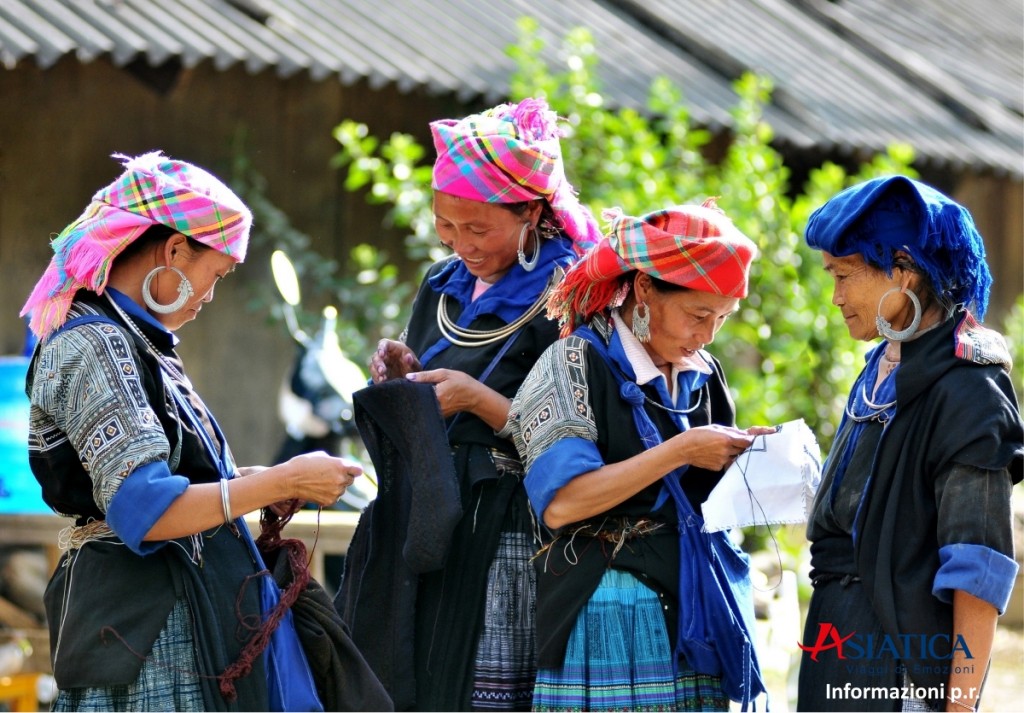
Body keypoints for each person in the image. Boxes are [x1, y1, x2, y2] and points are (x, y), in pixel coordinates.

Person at [19, 151, 365, 712]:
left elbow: (173, 479)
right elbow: (145, 508)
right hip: (147, 635)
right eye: (217, 275)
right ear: (175, 249)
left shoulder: (137, 340)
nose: (209, 296)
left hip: (171, 619)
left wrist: (269, 482)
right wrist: (275, 479)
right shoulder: (95, 343)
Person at [336, 97, 601, 711]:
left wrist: (482, 403)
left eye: (478, 229)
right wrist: (405, 370)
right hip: (428, 513)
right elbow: (432, 371)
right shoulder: (440, 284)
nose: (461, 245)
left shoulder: (573, 294)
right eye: (446, 227)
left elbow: (591, 434)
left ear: (532, 212)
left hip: (508, 526)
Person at [502, 201, 770, 711]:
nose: (708, 335)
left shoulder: (704, 373)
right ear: (644, 288)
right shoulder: (573, 361)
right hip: (608, 610)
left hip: (697, 610)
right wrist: (682, 450)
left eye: (722, 318)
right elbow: (562, 503)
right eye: (698, 315)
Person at [797, 176, 1023, 712]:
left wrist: (959, 705)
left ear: (903, 270)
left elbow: (977, 569)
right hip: (837, 645)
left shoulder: (968, 391)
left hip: (901, 667)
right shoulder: (884, 366)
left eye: (845, 275)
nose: (836, 297)